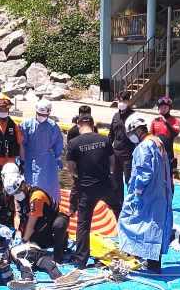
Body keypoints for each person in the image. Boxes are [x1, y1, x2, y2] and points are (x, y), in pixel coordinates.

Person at [118, 113, 173, 273]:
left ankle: (137, 255)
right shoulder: (158, 142)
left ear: (136, 131)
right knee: (154, 226)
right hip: (160, 193)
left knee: (129, 220)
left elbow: (143, 172)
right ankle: (152, 262)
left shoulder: (144, 147)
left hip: (148, 193)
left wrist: (137, 192)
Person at [66, 115, 117, 269]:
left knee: (83, 223)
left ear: (78, 126)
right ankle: (131, 247)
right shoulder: (105, 140)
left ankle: (81, 259)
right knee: (120, 213)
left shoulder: (74, 143)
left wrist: (79, 175)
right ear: (93, 125)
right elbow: (112, 163)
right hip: (106, 185)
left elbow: (70, 168)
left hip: (87, 189)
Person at [2, 172, 70, 262]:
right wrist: (18, 233)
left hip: (55, 217)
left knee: (58, 225)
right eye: (13, 194)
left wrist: (24, 242)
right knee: (34, 242)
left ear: (22, 186)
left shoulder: (36, 196)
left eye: (16, 192)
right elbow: (18, 216)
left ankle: (60, 247)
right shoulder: (18, 197)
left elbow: (31, 225)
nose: (15, 195)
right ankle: (50, 239)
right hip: (41, 220)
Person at [19, 99, 65, 203]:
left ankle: (50, 206)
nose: (42, 117)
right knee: (29, 185)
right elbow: (20, 143)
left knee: (49, 186)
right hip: (28, 159)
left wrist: (58, 157)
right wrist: (19, 159)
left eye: (44, 115)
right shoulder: (26, 124)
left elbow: (58, 141)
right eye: (40, 114)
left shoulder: (52, 126)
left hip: (47, 161)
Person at [108, 90, 137, 211]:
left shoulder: (134, 116)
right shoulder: (116, 116)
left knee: (130, 180)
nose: (121, 103)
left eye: (124, 100)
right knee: (116, 181)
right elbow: (111, 134)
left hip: (128, 155)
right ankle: (119, 204)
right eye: (120, 100)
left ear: (128, 101)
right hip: (116, 154)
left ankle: (133, 204)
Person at [67, 105, 93, 213]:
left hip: (90, 161)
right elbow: (70, 149)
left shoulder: (93, 129)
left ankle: (88, 206)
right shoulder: (73, 131)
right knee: (76, 186)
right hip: (78, 162)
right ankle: (73, 208)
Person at [150, 96, 180, 176]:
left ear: (169, 108)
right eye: (161, 107)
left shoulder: (175, 121)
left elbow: (175, 133)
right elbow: (151, 137)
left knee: (168, 177)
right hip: (157, 153)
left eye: (165, 107)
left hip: (168, 154)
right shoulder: (154, 121)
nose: (163, 109)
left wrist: (166, 123)